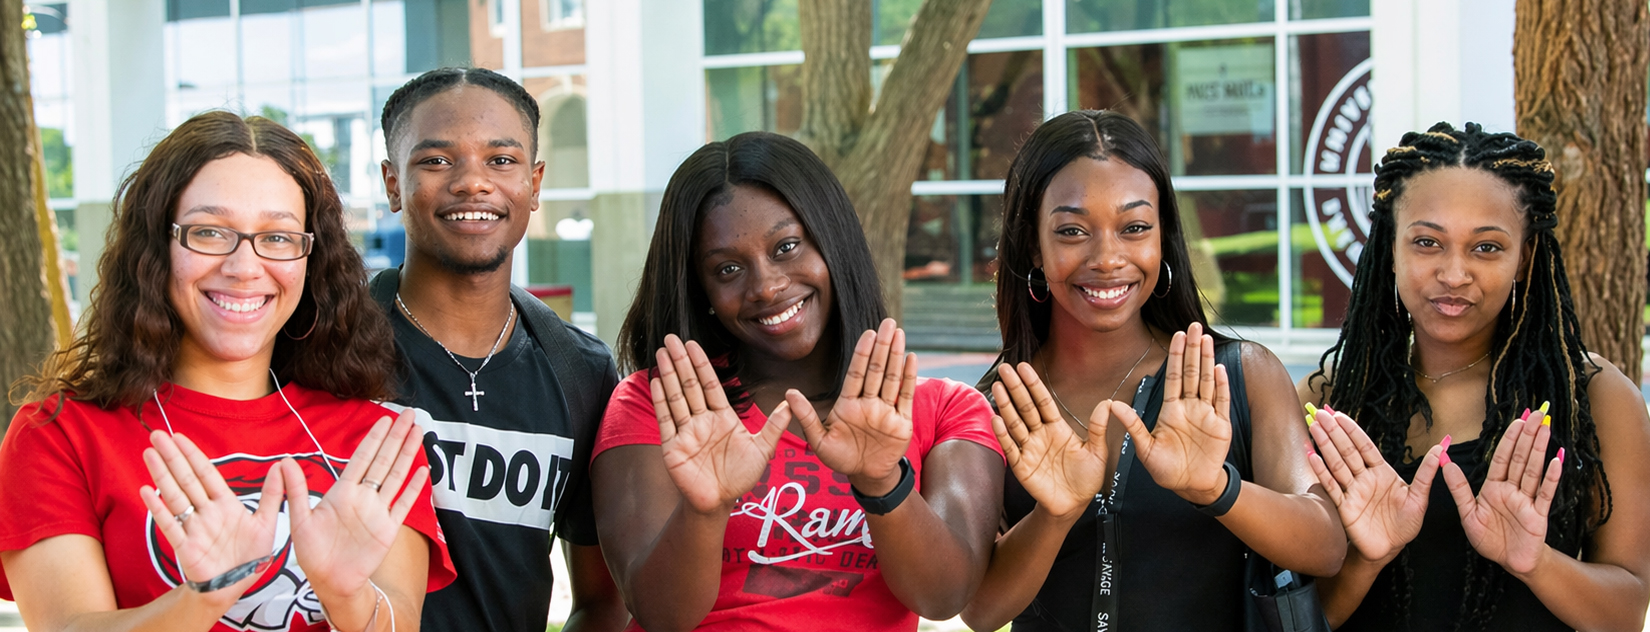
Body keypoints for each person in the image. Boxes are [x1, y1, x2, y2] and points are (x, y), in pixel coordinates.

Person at [0, 110, 454, 632]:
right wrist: (204, 597)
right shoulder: (60, 433)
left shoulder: (377, 439)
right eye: (210, 232)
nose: (243, 267)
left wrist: (345, 594)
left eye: (278, 237)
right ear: (156, 246)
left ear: (311, 258)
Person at [591, 131, 1005, 631]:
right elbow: (658, 613)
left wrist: (882, 484)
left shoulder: (943, 410)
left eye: (787, 246)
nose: (766, 285)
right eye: (727, 269)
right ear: (700, 289)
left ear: (834, 242)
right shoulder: (658, 405)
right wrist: (707, 510)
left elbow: (944, 597)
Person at [960, 110, 1347, 632]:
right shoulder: (999, 403)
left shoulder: (1238, 376)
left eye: (1134, 227)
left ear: (1163, 235)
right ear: (1033, 244)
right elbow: (980, 611)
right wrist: (1052, 517)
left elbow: (1326, 546)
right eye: (1072, 230)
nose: (1107, 257)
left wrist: (1218, 490)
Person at [1298, 122, 1650, 631]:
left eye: (1486, 247)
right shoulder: (1328, 403)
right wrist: (1366, 560)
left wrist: (1537, 562)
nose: (1455, 273)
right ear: (1389, 250)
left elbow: (1626, 614)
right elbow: (1291, 616)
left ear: (1525, 257)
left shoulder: (1591, 395)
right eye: (1427, 242)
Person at [374, 67, 628, 632]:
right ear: (393, 184)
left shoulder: (580, 371)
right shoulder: (327, 349)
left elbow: (603, 601)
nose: (472, 183)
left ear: (534, 184)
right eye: (436, 160)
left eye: (501, 160)